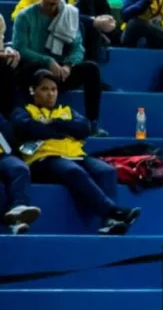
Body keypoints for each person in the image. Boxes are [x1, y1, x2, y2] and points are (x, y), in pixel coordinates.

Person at [12, 70, 139, 235]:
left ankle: (110, 223)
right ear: (32, 91)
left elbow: (84, 128)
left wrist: (53, 122)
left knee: (107, 171)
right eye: (44, 89)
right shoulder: (23, 111)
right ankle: (113, 212)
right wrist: (64, 129)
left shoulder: (66, 111)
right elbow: (27, 128)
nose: (50, 94)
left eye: (54, 89)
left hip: (76, 155)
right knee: (73, 171)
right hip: (45, 158)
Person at [12, 0, 106, 137]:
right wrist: (47, 61)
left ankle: (93, 123)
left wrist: (68, 66)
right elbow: (20, 48)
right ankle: (26, 119)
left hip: (60, 73)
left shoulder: (69, 15)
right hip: (34, 73)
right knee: (26, 65)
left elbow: (78, 48)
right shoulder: (25, 16)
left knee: (91, 68)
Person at [0, 112, 40, 235]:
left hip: (2, 155)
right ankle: (15, 223)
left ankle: (19, 209)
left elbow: (9, 134)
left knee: (20, 168)